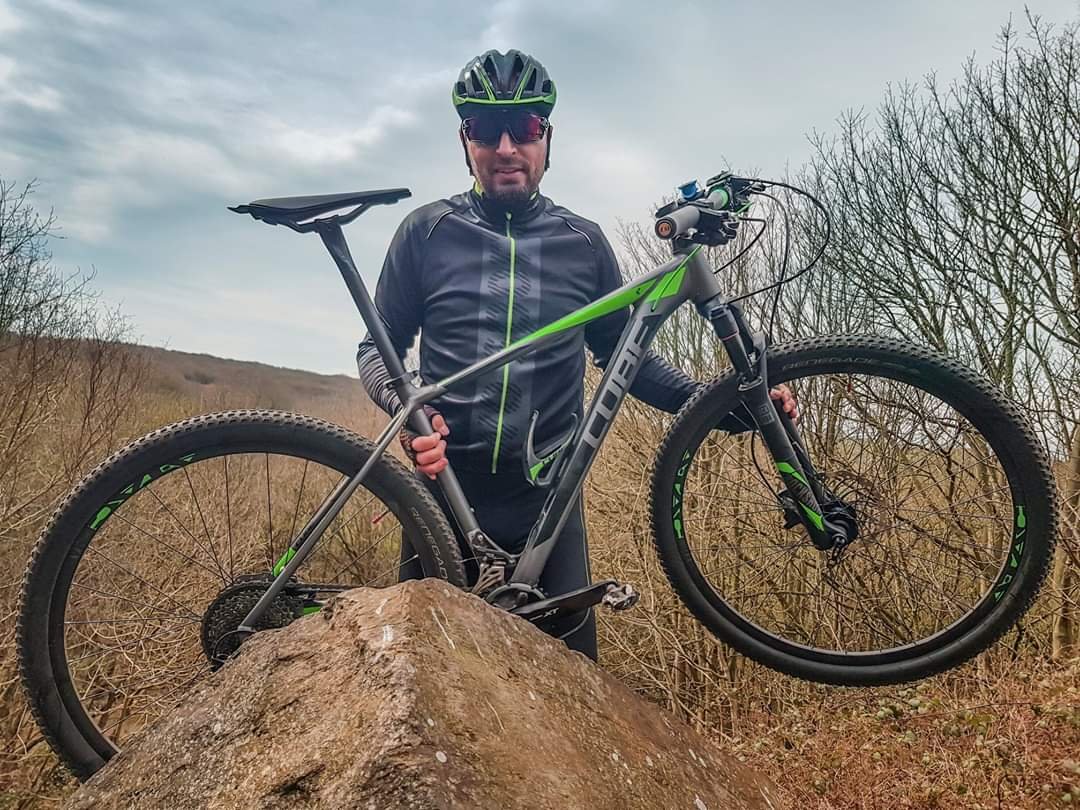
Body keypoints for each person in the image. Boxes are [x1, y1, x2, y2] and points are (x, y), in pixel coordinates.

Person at [356, 49, 796, 662]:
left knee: (569, 686)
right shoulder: (425, 232)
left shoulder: (582, 243)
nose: (506, 147)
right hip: (443, 495)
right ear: (465, 140)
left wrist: (723, 405)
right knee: (420, 680)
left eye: (524, 127)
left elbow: (627, 360)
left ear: (546, 137)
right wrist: (409, 410)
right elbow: (376, 349)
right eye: (485, 128)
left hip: (548, 503)